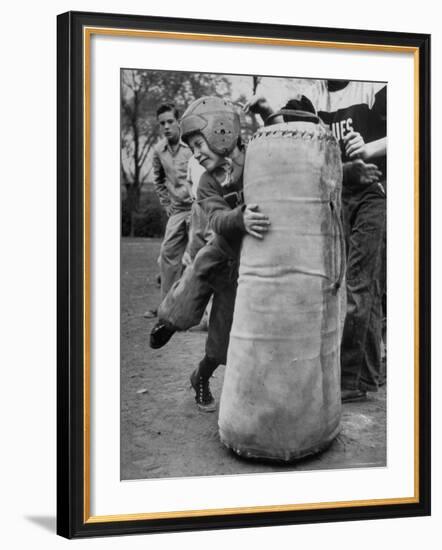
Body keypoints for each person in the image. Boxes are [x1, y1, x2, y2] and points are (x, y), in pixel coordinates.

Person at [247, 80, 387, 403]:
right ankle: (365, 374)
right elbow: (296, 142)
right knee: (353, 286)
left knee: (359, 284)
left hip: (374, 193)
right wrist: (270, 112)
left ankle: (350, 379)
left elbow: (419, 127)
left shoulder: (373, 86)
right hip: (337, 195)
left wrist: (369, 148)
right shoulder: (313, 96)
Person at [150, 96, 270, 411]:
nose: (196, 152)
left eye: (199, 143)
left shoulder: (257, 159)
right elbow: (217, 219)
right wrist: (240, 217)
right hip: (220, 249)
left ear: (222, 132)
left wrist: (268, 114)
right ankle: (169, 321)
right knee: (191, 286)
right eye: (190, 145)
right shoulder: (205, 182)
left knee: (221, 341)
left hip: (244, 267)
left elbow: (283, 150)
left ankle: (200, 377)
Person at [143, 103, 193, 318]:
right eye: (162, 123)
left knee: (198, 255)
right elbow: (158, 180)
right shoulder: (158, 151)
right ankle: (167, 309)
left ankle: (199, 310)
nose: (166, 126)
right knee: (167, 255)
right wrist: (167, 204)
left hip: (198, 208)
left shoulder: (192, 145)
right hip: (177, 210)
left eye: (170, 121)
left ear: (178, 122)